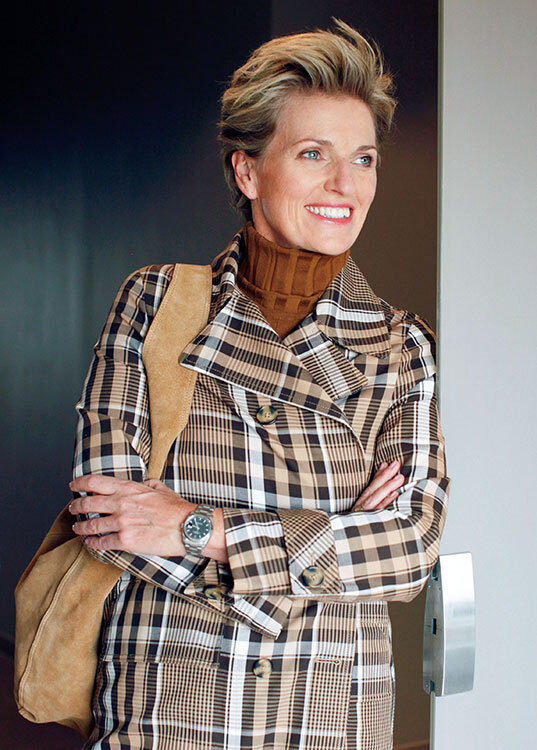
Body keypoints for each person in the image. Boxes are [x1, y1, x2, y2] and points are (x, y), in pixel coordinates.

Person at [69, 19, 450, 750]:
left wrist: (199, 528)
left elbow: (409, 550)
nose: (345, 184)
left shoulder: (402, 346)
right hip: (172, 699)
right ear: (248, 173)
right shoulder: (155, 304)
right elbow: (110, 521)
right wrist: (336, 536)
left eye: (363, 158)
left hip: (330, 708)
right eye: (313, 154)